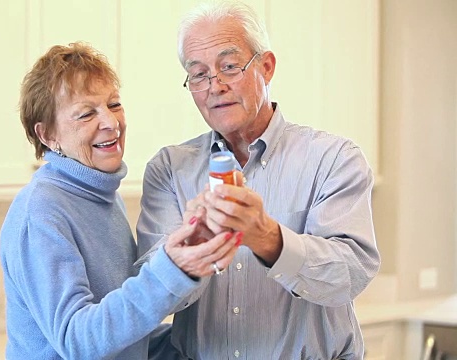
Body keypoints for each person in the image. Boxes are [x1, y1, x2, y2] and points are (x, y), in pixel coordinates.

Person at [136, 1, 381, 359]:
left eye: (229, 66)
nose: (214, 86)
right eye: (199, 74)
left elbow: (350, 274)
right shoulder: (168, 170)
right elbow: (149, 295)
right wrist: (188, 254)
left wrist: (267, 237)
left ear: (266, 67)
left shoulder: (334, 158)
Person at [0, 42, 241, 360]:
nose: (111, 123)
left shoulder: (101, 199)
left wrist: (197, 340)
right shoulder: (42, 211)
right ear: (48, 135)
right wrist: (170, 267)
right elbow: (79, 341)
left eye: (113, 105)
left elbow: (122, 337)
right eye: (86, 113)